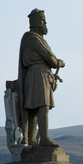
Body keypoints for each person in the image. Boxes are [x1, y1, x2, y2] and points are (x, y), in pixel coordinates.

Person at [17, 9, 65, 147]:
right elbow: (51, 59)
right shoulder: (34, 39)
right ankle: (44, 138)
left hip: (39, 75)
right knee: (42, 107)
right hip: (38, 75)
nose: (45, 24)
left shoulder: (35, 39)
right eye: (43, 21)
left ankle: (33, 139)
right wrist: (60, 62)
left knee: (37, 109)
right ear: (38, 22)